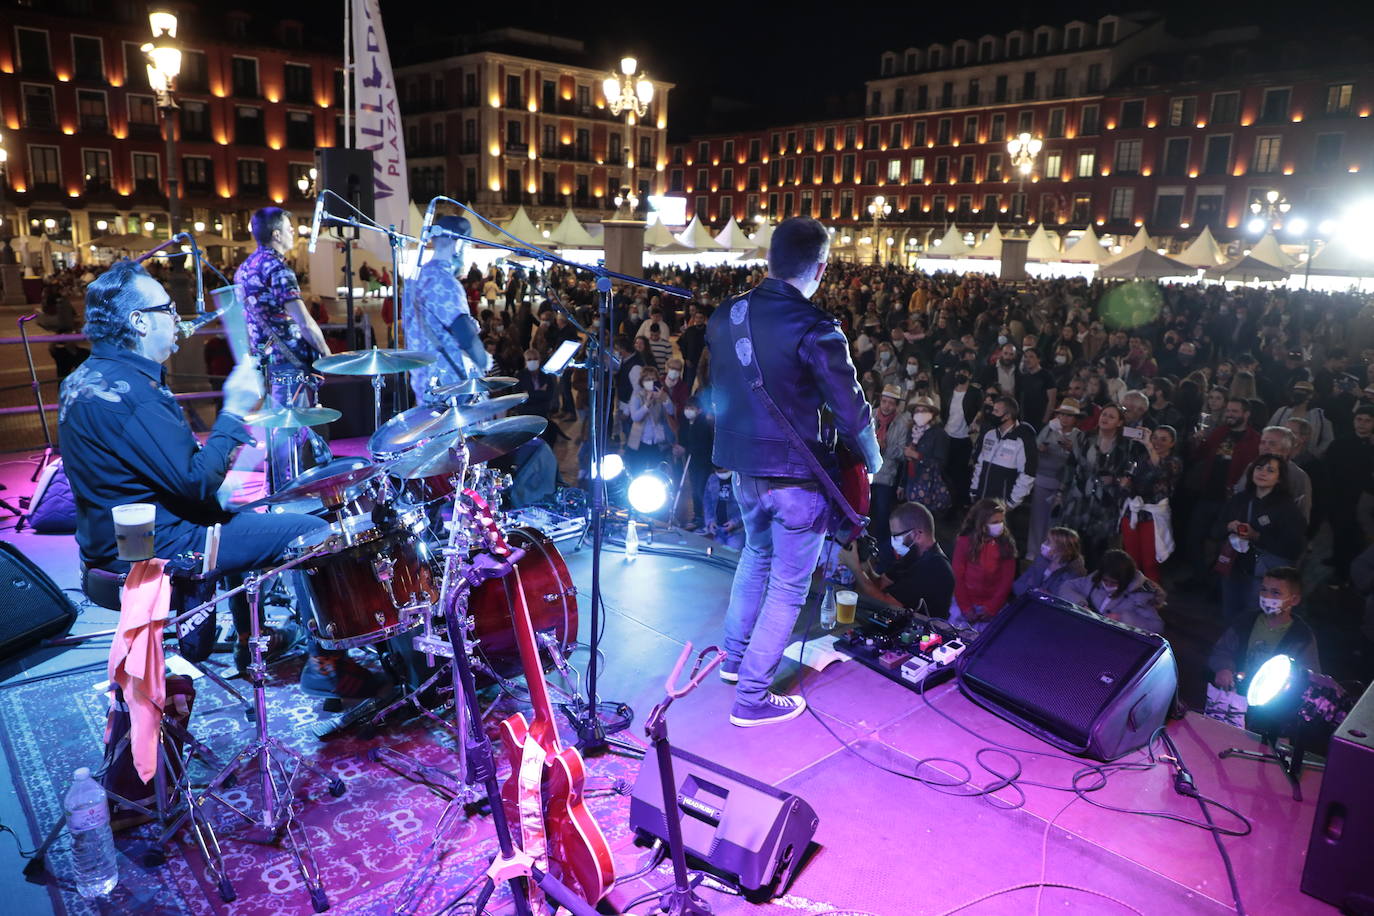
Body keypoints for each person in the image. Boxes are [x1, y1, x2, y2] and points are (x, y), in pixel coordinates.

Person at [58, 261, 372, 699]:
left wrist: (217, 489)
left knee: (259, 517)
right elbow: (195, 482)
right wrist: (235, 409)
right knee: (315, 532)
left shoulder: (87, 378)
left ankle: (250, 644)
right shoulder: (131, 394)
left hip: (115, 540)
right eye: (167, 309)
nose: (178, 319)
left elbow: (152, 473)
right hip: (155, 548)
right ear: (138, 321)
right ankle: (327, 663)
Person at [708, 217, 881, 727]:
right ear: (821, 267)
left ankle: (734, 663)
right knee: (787, 586)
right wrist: (872, 461)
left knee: (754, 560)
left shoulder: (727, 314)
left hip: (743, 471)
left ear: (770, 259)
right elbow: (851, 412)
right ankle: (754, 699)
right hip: (795, 480)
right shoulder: (816, 327)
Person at [236, 206, 332, 492]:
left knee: (278, 427)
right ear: (276, 234)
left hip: (265, 363)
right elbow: (303, 320)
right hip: (289, 364)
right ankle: (286, 490)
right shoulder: (278, 269)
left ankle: (277, 486)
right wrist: (327, 355)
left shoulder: (245, 268)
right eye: (290, 229)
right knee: (289, 430)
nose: (293, 233)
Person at [405, 214, 492, 400]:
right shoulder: (446, 282)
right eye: (467, 246)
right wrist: (484, 360)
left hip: (424, 384)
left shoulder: (414, 280)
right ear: (459, 244)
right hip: (451, 387)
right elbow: (466, 336)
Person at [1215, 454, 1307, 624]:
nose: (1262, 473)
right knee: (1230, 612)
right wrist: (1229, 527)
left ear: (1279, 478)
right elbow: (1215, 529)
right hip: (1234, 567)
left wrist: (1256, 536)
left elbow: (1293, 546)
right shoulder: (1239, 499)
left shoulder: (1287, 508)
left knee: (1255, 616)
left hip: (1263, 573)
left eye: (1270, 470)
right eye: (1259, 468)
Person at [1056, 403, 1144, 566]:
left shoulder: (1127, 445)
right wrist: (1062, 492)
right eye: (1104, 414)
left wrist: (1117, 480)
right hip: (1080, 498)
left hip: (1106, 502)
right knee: (1072, 543)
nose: (1105, 418)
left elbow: (1131, 472)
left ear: (1119, 423)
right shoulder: (1084, 437)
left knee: (1096, 548)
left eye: (1111, 417)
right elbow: (1070, 465)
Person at [1208, 567, 1320, 692]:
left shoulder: (1301, 637)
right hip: (1236, 693)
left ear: (1294, 600)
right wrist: (1224, 668)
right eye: (1264, 589)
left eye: (1275, 592)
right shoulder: (1245, 621)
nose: (1267, 596)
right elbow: (1222, 650)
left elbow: (1310, 678)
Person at [838, 501, 955, 617]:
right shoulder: (913, 555)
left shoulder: (935, 568)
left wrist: (855, 568)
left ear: (917, 534)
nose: (893, 540)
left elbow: (887, 604)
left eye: (896, 535)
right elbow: (881, 583)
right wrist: (864, 562)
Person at [1119, 425, 1182, 583]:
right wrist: (1125, 485)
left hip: (1153, 515)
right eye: (1154, 438)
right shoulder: (1141, 458)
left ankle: (1152, 600)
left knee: (1150, 562)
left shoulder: (1174, 462)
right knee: (1131, 560)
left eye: (1163, 439)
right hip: (1133, 511)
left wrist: (1148, 445)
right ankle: (1131, 596)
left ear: (1172, 443)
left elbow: (1160, 471)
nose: (1157, 442)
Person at [1057, 549, 1166, 634]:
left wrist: (1122, 618)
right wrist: (1081, 605)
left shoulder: (1139, 596)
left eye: (1113, 582)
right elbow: (1066, 586)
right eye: (1105, 580)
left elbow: (1157, 626)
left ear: (1124, 581)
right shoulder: (1093, 581)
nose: (1107, 585)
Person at [950, 498, 1017, 631]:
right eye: (994, 522)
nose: (1000, 526)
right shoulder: (964, 542)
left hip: (993, 606)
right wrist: (966, 608)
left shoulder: (1006, 545)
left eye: (1001, 522)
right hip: (965, 604)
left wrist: (991, 608)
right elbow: (957, 576)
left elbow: (1006, 581)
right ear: (981, 523)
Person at [1027, 398, 1083, 554]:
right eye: (1062, 415)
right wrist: (1042, 446)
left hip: (1063, 485)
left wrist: (1073, 450)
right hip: (1042, 478)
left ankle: (1052, 553)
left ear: (1076, 419)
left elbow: (1082, 461)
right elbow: (1035, 448)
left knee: (1055, 522)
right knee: (1037, 519)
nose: (1064, 418)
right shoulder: (1049, 429)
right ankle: (1032, 553)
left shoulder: (1078, 436)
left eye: (1069, 416)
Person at [969, 395, 1037, 515]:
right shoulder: (989, 434)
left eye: (996, 411)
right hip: (981, 499)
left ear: (1008, 416)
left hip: (1002, 505)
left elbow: (1028, 474)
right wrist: (974, 491)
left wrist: (1012, 502)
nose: (992, 413)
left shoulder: (1023, 439)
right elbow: (980, 465)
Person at [869, 384, 913, 566]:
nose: (886, 406)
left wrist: (886, 447)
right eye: (884, 402)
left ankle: (880, 556)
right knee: (862, 513)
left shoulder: (901, 423)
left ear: (897, 405)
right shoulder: (869, 415)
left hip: (886, 477)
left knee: (881, 517)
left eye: (891, 403)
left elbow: (903, 453)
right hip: (866, 472)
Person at [900, 397, 951, 514]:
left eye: (924, 410)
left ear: (932, 414)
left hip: (929, 487)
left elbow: (941, 464)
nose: (920, 414)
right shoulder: (911, 432)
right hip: (911, 484)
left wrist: (918, 456)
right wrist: (902, 485)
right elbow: (906, 463)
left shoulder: (939, 434)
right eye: (917, 411)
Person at [627, 365, 676, 474]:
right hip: (640, 442)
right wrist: (646, 405)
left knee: (657, 473)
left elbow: (672, 411)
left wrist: (663, 399)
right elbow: (635, 417)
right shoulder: (637, 396)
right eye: (647, 380)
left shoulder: (662, 395)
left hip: (658, 443)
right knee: (637, 472)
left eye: (653, 379)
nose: (650, 382)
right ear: (642, 382)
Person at [1015, 526, 1087, 598]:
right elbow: (1017, 585)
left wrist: (1032, 588)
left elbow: (1057, 600)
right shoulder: (1041, 560)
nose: (1043, 544)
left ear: (1061, 548)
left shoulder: (1071, 574)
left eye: (1048, 542)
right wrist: (1034, 591)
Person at [703, 466, 745, 548]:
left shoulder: (740, 480)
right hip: (718, 529)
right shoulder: (712, 479)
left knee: (733, 555)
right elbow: (707, 502)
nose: (723, 474)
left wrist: (735, 522)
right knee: (719, 554)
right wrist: (710, 521)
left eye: (725, 471)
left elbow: (747, 507)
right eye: (719, 472)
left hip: (737, 531)